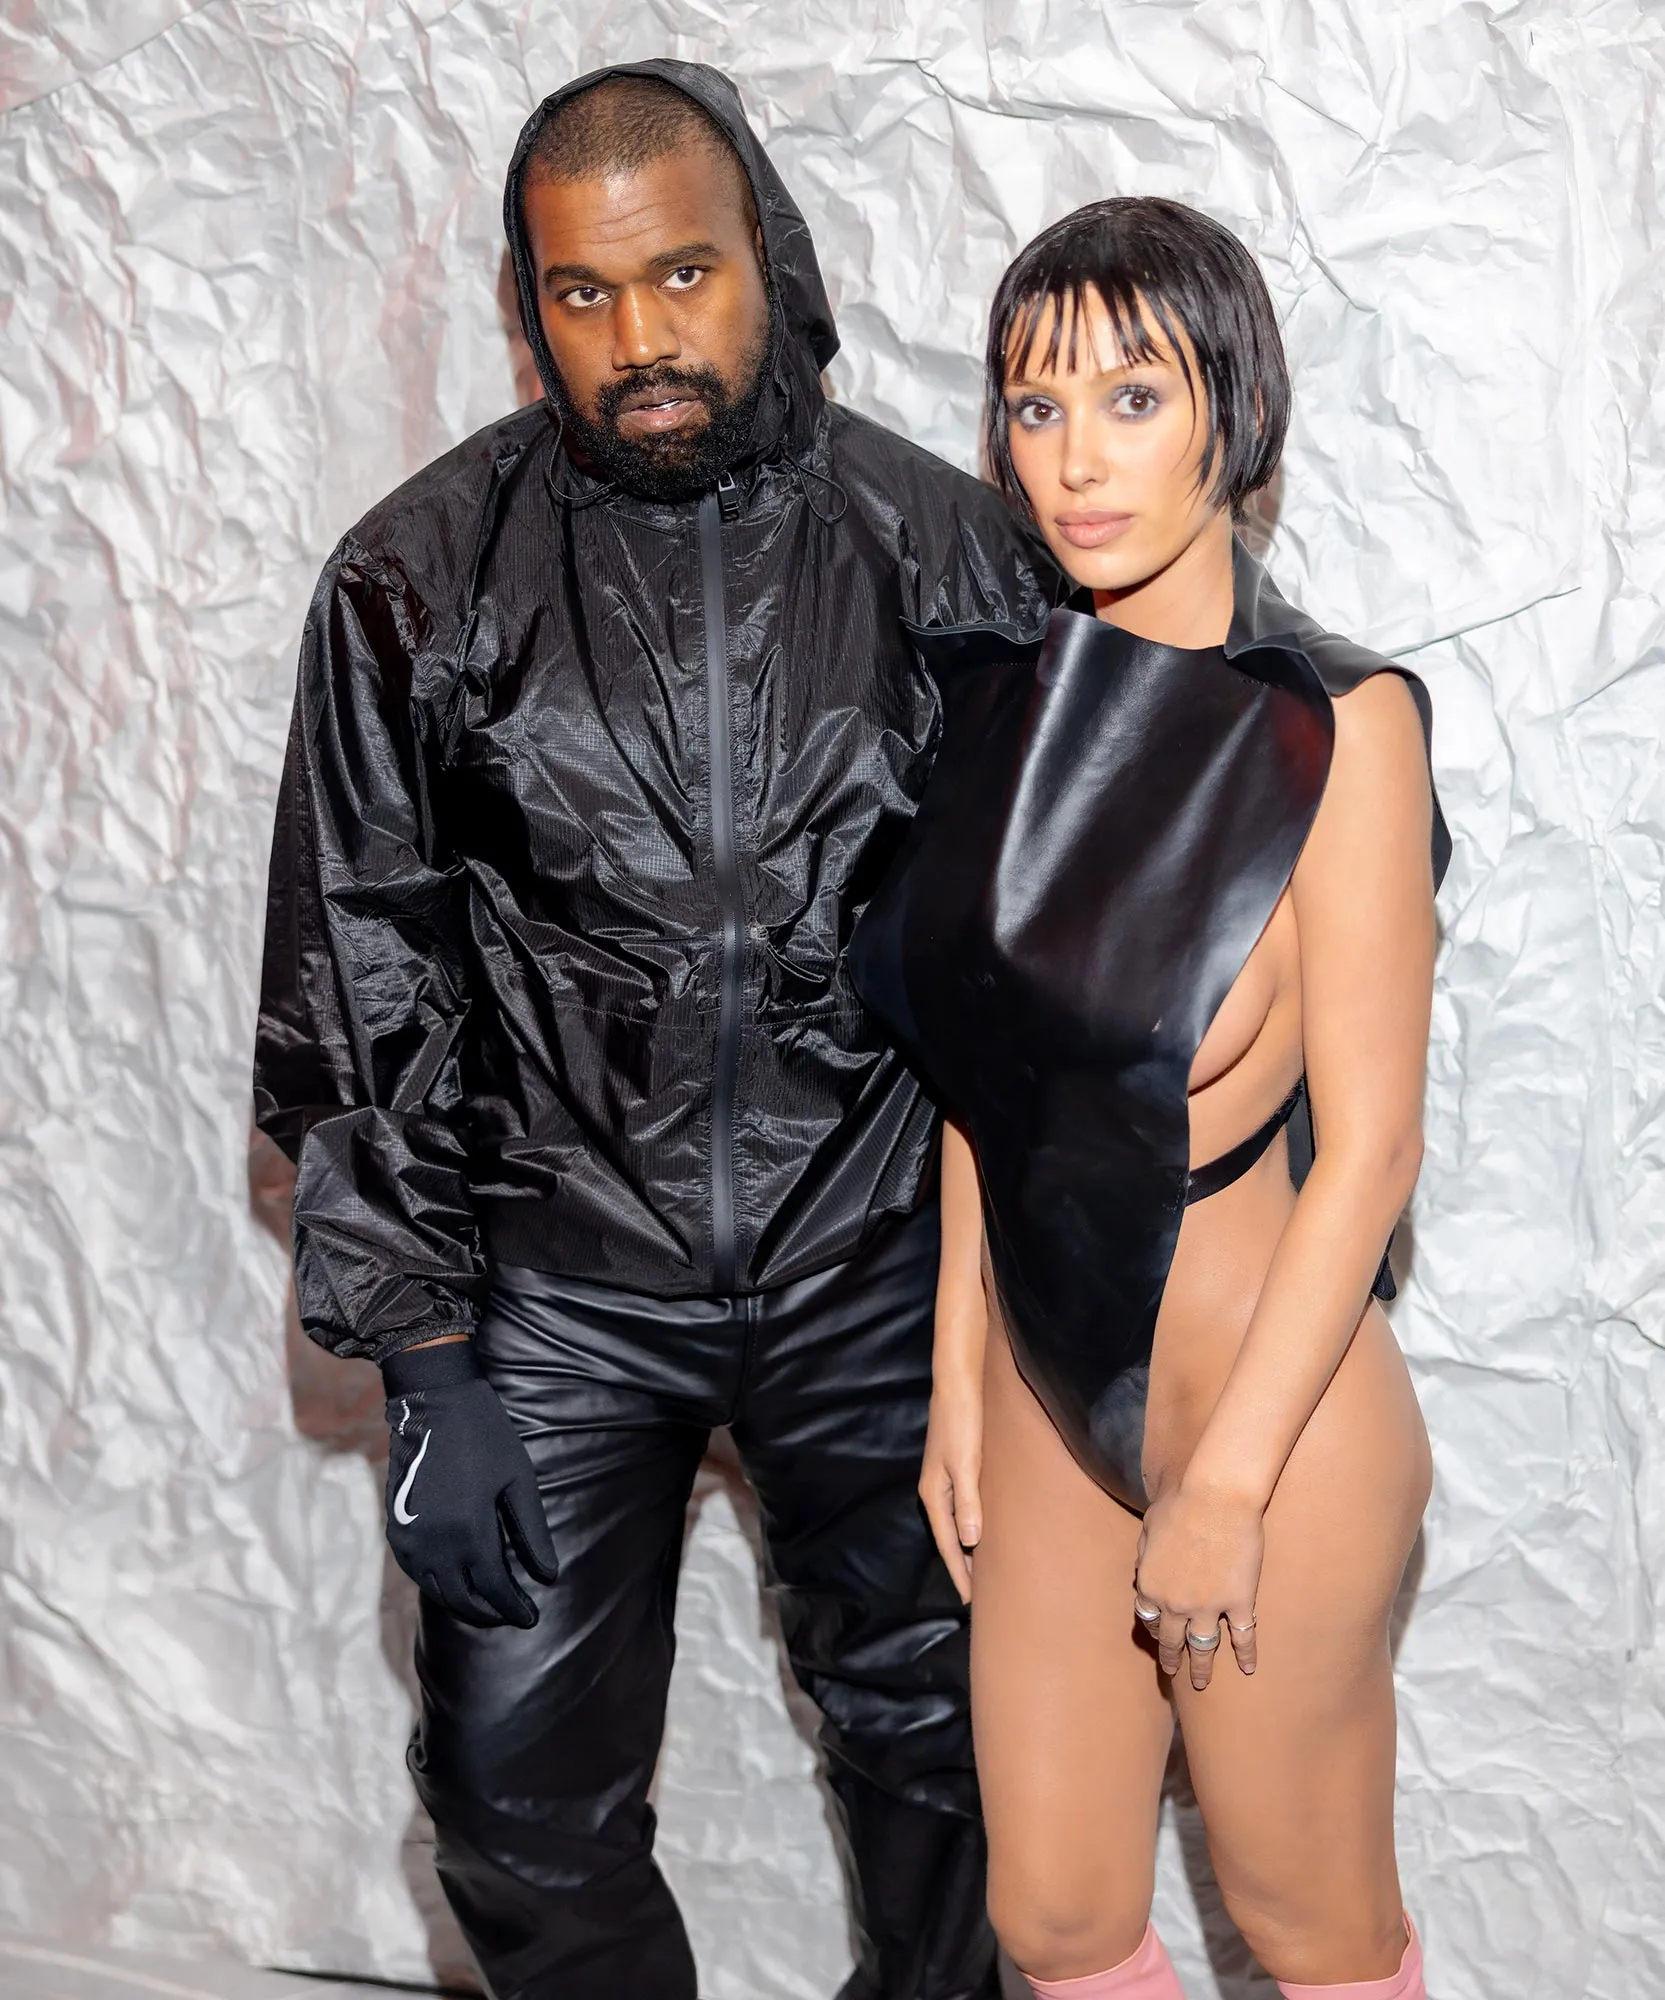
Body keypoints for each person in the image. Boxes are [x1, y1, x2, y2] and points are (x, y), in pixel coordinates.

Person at [253, 59, 1058, 2000]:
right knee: (511, 1803)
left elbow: (1067, 955)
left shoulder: (952, 555)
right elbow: (359, 976)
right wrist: (430, 1363)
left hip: (880, 1264)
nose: (640, 344)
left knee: (959, 1769)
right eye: (583, 294)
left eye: (681, 275)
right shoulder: (414, 579)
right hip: (557, 1286)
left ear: (767, 256)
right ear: (527, 304)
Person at [850, 198, 1450, 2000]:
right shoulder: (997, 699)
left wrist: (1230, 1483)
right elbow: (985, 1069)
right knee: (1051, 1916)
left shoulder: (1336, 723)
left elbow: (1374, 1149)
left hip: (1273, 1402)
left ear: (1232, 409)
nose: (1076, 459)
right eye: (1036, 407)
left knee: (1307, 1922)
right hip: (1049, 1389)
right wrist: (960, 1374)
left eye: (1132, 398)